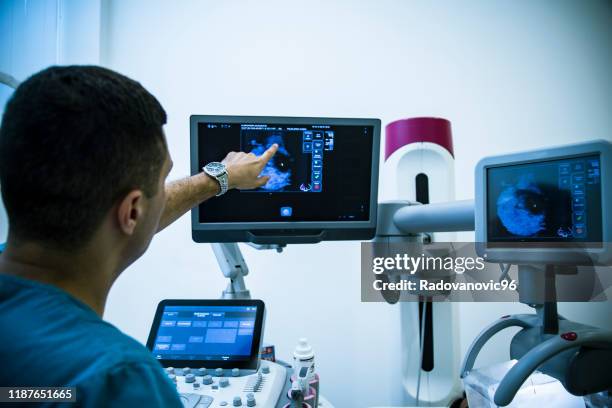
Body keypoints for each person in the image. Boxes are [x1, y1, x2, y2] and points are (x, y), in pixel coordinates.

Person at [0, 65, 278, 406]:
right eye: (162, 182)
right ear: (131, 211)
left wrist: (218, 178)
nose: (164, 192)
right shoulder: (117, 380)